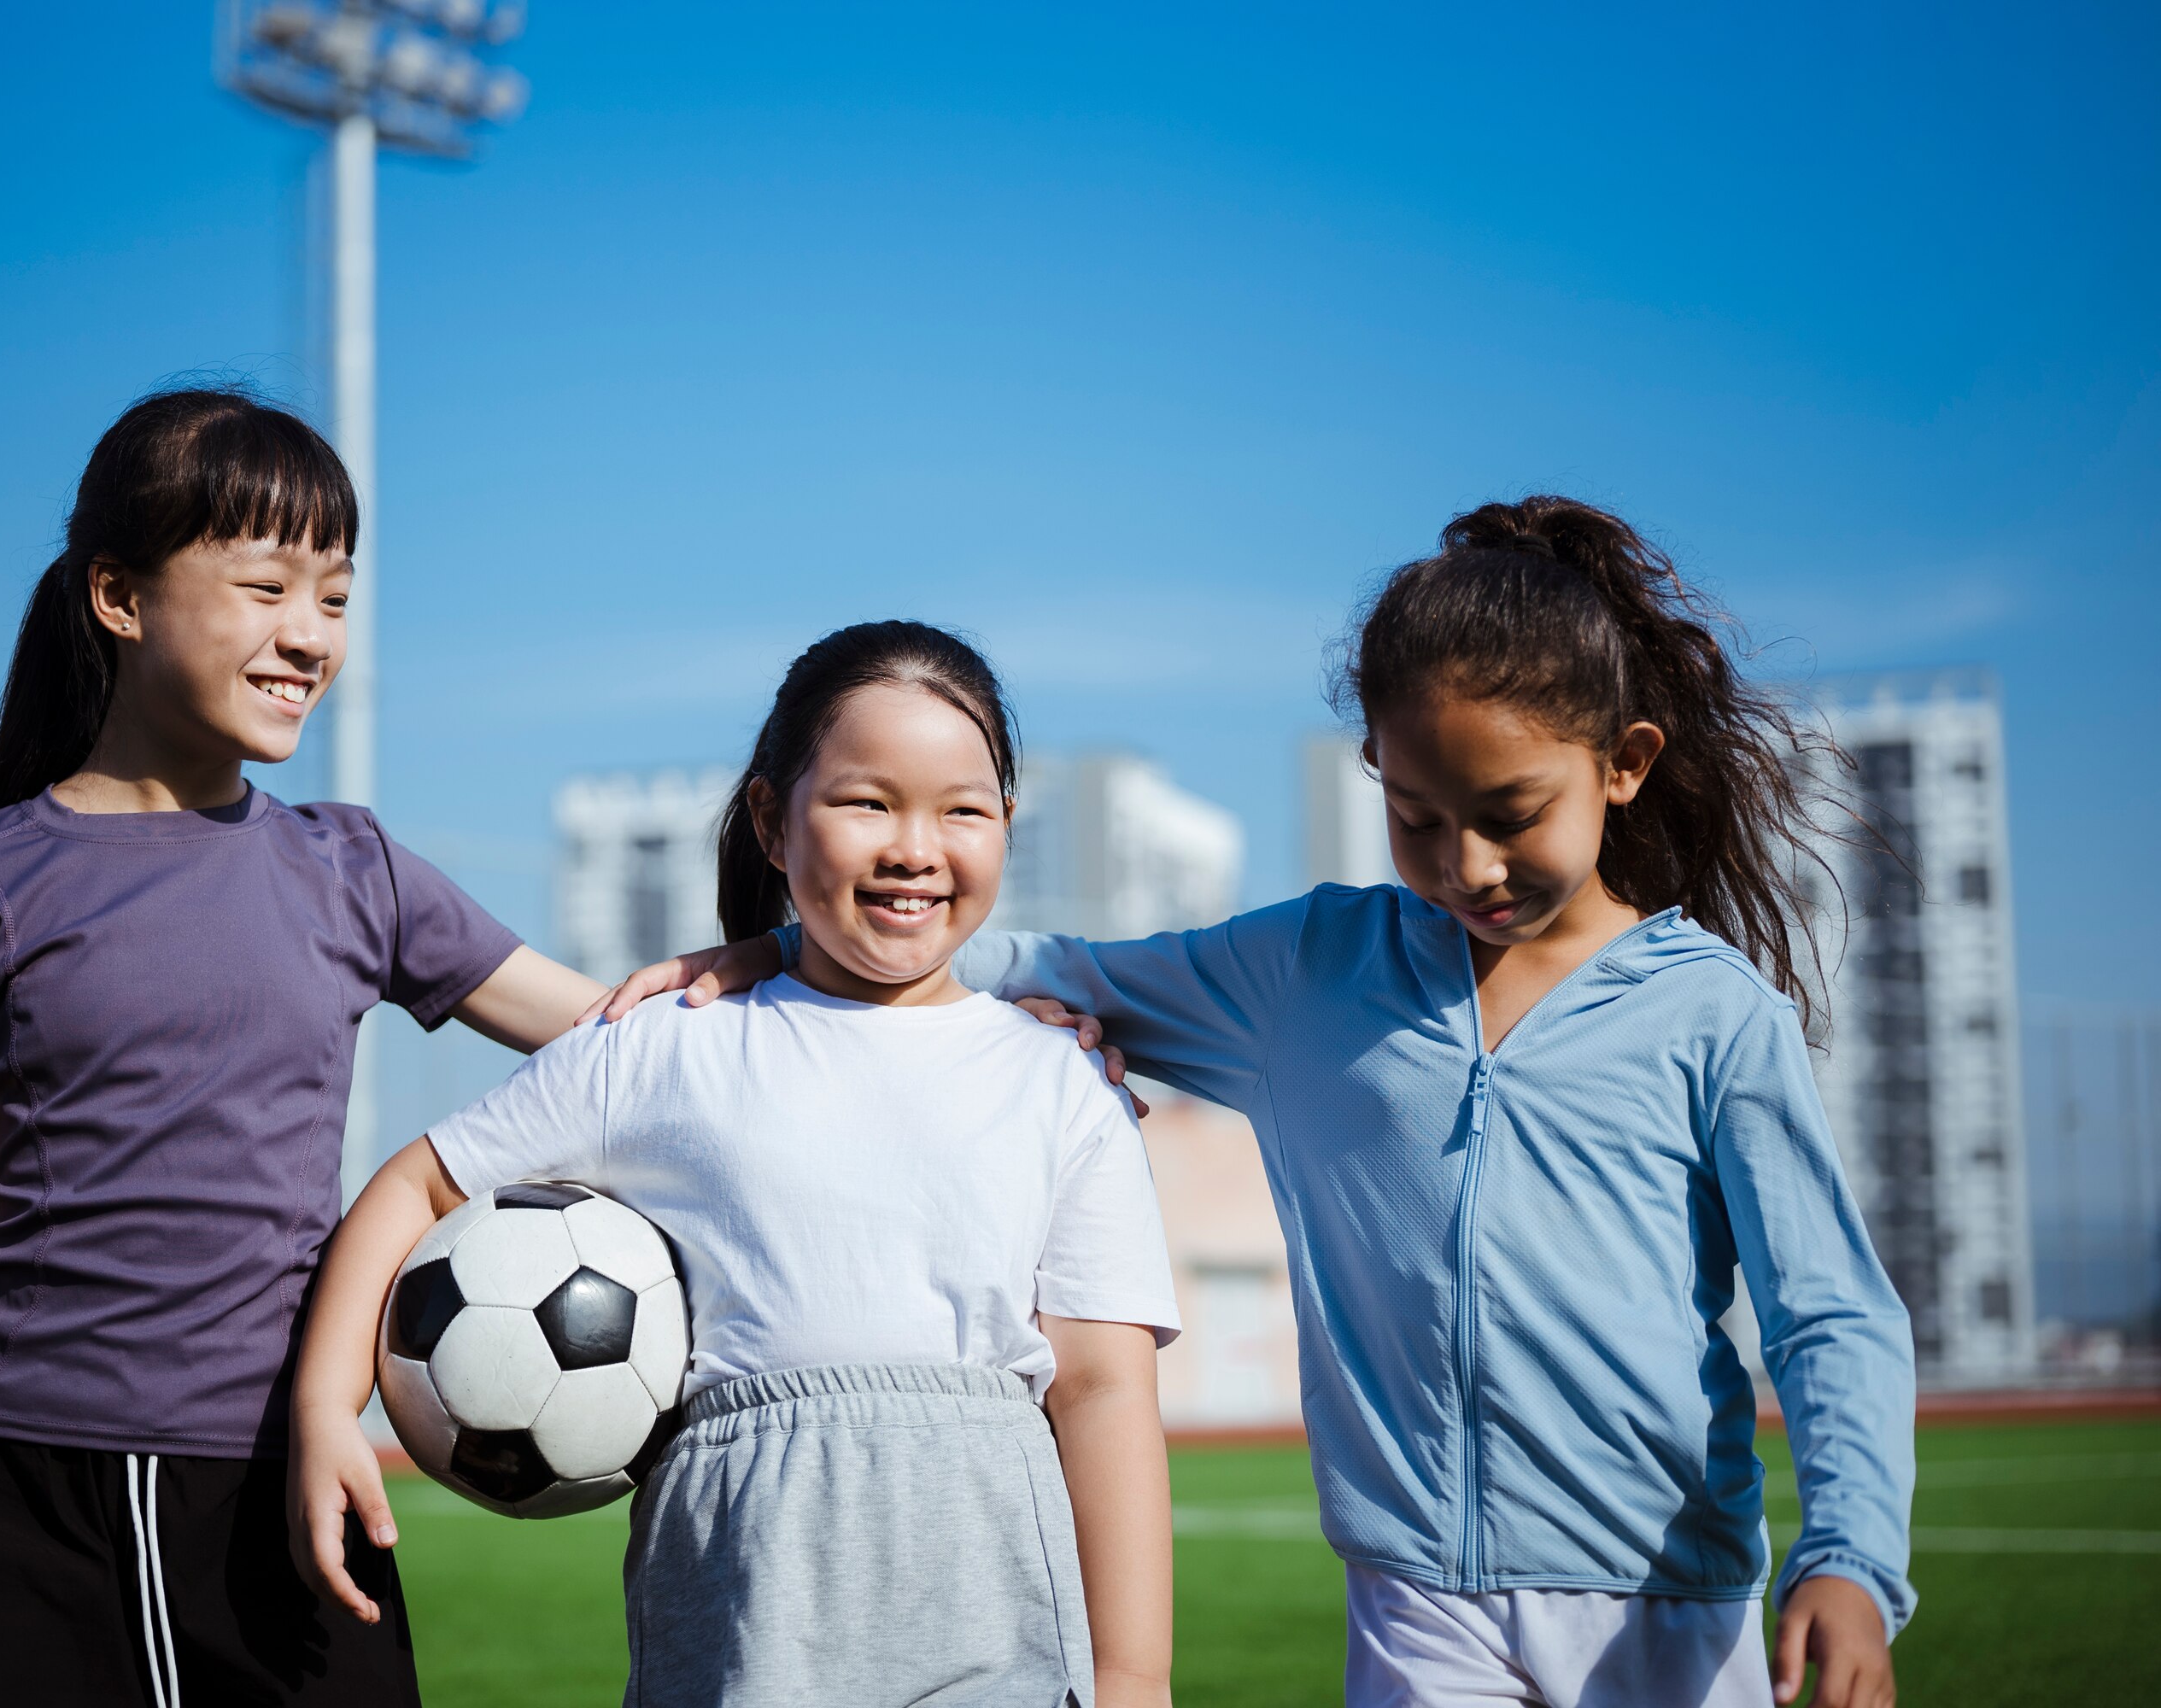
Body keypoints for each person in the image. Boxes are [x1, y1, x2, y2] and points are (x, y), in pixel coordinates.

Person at [597, 500, 1918, 1708]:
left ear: (1623, 766)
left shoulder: (1711, 1016)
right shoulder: (1309, 977)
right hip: (1418, 1616)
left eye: (1512, 814)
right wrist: (781, 953)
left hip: (1667, 1608)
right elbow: (1040, 962)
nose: (1466, 865)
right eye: (1416, 817)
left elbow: (1832, 1314)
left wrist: (1852, 1555)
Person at [0, 388, 609, 1708]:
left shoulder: (355, 870)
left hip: (286, 1490)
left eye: (335, 598)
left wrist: (797, 974)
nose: (311, 637)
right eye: (266, 587)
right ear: (119, 598)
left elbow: (617, 1041)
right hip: (15, 1509)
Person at [290, 621, 1182, 1708]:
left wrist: (1134, 1677)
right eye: (867, 801)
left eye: (964, 807)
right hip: (743, 1611)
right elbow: (416, 1183)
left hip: (996, 1609)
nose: (915, 845)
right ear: (771, 818)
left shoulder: (1060, 1081)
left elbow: (1101, 1390)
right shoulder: (669, 1045)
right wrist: (327, 1407)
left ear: (1007, 822)